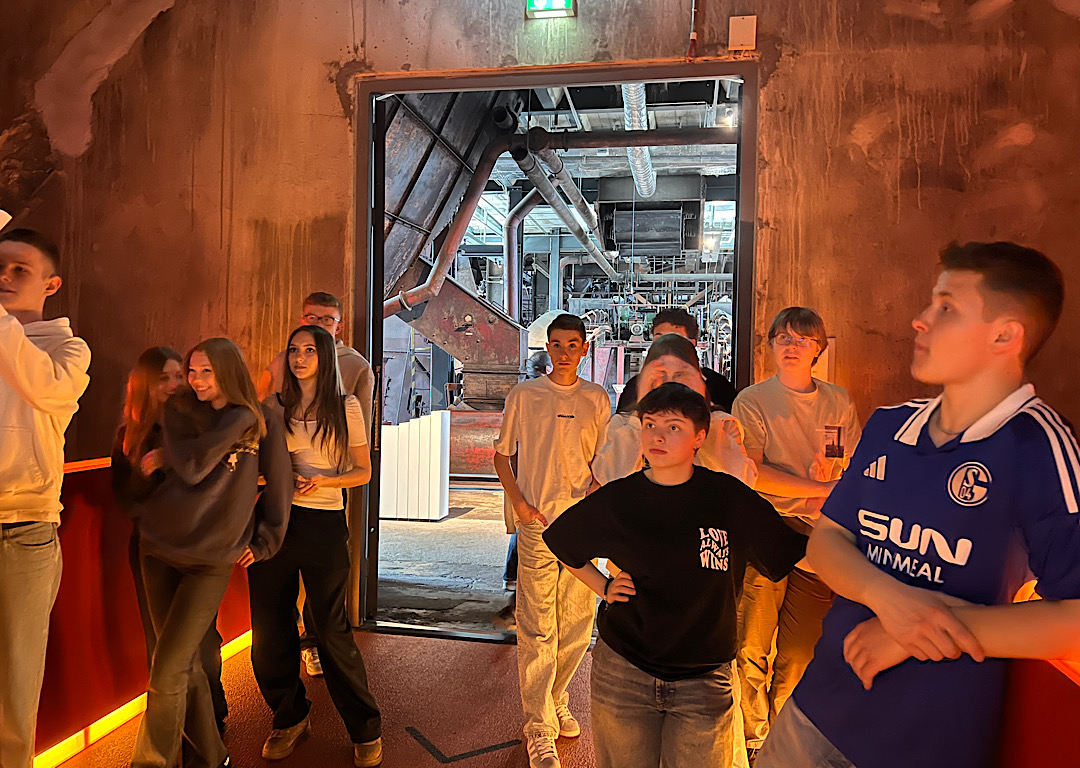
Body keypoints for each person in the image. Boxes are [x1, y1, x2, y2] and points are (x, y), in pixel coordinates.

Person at [756, 242, 1080, 768]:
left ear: (1004, 335)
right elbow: (829, 539)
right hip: (817, 708)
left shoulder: (1038, 445)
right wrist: (890, 598)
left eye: (946, 307)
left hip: (928, 737)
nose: (921, 320)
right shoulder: (890, 424)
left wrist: (911, 631)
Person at [543, 383, 808, 768]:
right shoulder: (621, 498)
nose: (657, 437)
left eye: (673, 427)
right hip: (624, 670)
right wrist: (603, 586)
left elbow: (789, 552)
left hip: (704, 678)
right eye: (650, 425)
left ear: (699, 437)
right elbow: (563, 541)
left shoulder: (727, 497)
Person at [130, 338, 291, 768]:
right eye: (192, 371)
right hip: (158, 548)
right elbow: (183, 468)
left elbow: (279, 486)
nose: (197, 381)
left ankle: (149, 762)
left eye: (207, 372)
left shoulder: (261, 421)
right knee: (183, 665)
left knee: (168, 670)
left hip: (210, 561)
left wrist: (266, 540)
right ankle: (212, 758)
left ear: (228, 371)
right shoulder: (180, 410)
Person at [248, 325, 383, 768]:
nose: (300, 357)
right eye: (293, 350)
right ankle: (289, 717)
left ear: (326, 357)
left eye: (309, 350)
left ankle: (365, 727)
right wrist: (278, 478)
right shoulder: (275, 405)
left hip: (323, 523)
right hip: (275, 521)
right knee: (269, 630)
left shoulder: (346, 407)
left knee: (330, 629)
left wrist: (325, 480)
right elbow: (256, 464)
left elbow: (362, 471)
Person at [733, 307, 860, 762]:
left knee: (802, 648)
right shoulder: (752, 400)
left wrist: (831, 484)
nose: (792, 346)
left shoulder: (838, 401)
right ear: (770, 345)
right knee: (752, 642)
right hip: (766, 530)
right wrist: (820, 488)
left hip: (819, 537)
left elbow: (854, 468)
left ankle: (783, 734)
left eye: (802, 339)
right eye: (783, 338)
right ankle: (754, 735)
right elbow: (753, 473)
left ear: (818, 348)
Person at [493, 313, 610, 768]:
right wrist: (520, 505)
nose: (564, 353)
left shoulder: (597, 398)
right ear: (547, 348)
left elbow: (605, 461)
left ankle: (557, 697)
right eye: (556, 344)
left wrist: (597, 494)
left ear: (584, 349)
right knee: (538, 625)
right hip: (537, 525)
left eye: (572, 345)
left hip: (583, 527)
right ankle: (538, 727)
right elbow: (502, 457)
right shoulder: (525, 396)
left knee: (578, 625)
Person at [0, 229, 91, 768]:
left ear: (50, 285)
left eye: (20, 269)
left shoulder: (66, 349)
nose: (5, 277)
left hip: (23, 533)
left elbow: (42, 387)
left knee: (14, 692)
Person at [111, 347, 229, 734]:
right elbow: (126, 499)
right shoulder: (129, 435)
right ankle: (177, 729)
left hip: (197, 548)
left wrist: (174, 460)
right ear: (147, 384)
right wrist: (146, 474)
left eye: (180, 375)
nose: (176, 384)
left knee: (203, 642)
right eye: (165, 378)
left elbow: (214, 486)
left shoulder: (202, 425)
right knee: (161, 645)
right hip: (151, 551)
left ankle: (213, 720)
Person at [257, 291, 374, 677]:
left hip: (327, 493)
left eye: (326, 319)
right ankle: (291, 667)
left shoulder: (356, 368)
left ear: (338, 325)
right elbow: (260, 410)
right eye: (311, 317)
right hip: (282, 504)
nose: (301, 356)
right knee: (274, 606)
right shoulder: (283, 362)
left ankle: (315, 644)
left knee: (325, 600)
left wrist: (331, 478)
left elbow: (359, 442)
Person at [594, 333, 757, 487]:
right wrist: (642, 410)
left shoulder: (723, 424)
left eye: (680, 374)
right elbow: (611, 478)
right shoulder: (624, 424)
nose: (670, 382)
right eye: (660, 374)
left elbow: (739, 480)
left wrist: (700, 411)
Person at [616, 308, 737, 413]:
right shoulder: (635, 385)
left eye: (675, 338)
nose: (665, 344)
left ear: (692, 343)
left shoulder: (717, 386)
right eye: (659, 338)